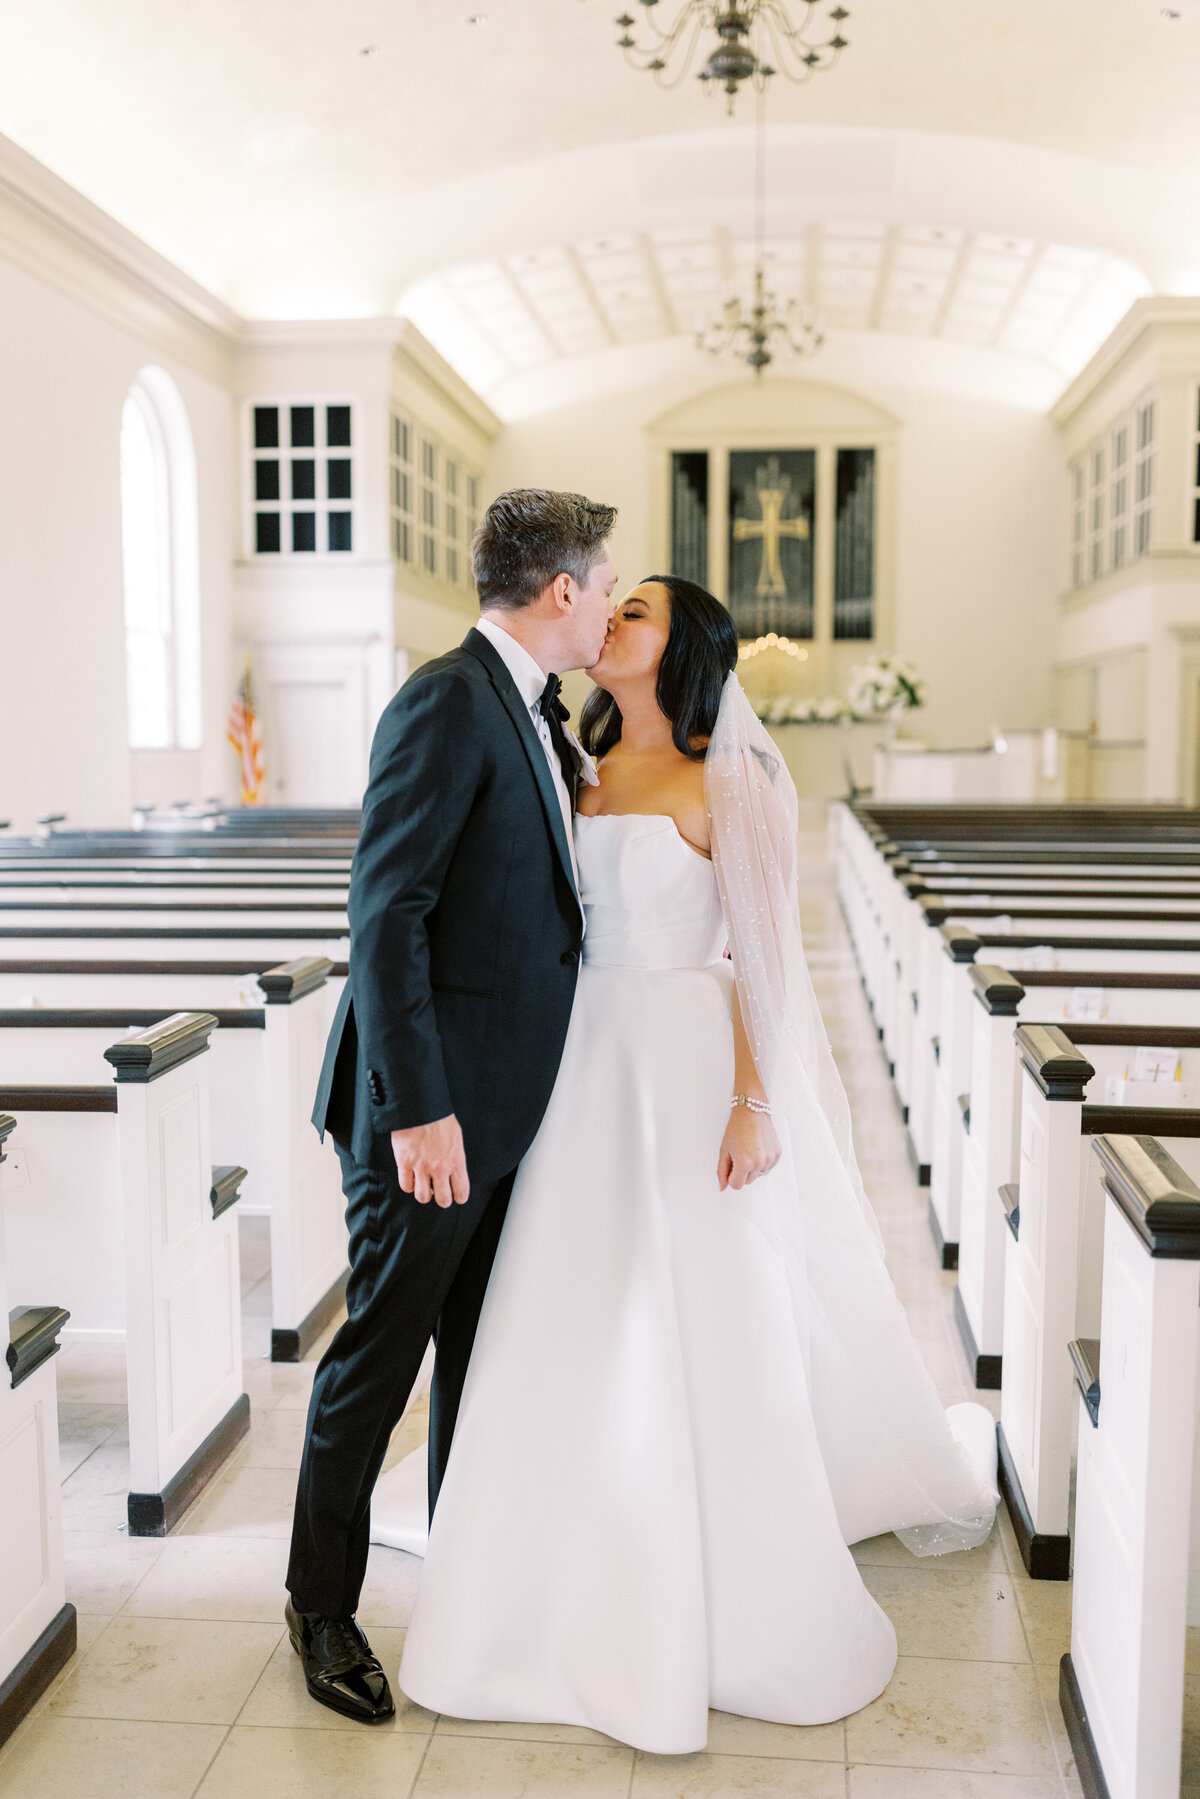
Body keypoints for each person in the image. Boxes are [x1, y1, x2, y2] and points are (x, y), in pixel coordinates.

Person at [376, 575, 998, 1753]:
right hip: (576, 1068)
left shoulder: (737, 777)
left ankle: (700, 1541)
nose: (611, 619)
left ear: (687, 648)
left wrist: (753, 1101)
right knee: (565, 1301)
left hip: (681, 1068)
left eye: (639, 611)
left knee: (684, 1309)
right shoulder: (577, 764)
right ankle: (549, 1546)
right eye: (615, 604)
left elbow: (765, 953)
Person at [284, 488, 619, 1724]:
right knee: (380, 1358)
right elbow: (387, 915)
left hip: (499, 1113)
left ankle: (472, 1581)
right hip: (426, 1120)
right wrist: (418, 1111)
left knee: (479, 1352)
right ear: (562, 591)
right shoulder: (445, 698)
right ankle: (319, 1605)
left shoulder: (531, 711)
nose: (607, 598)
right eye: (604, 578)